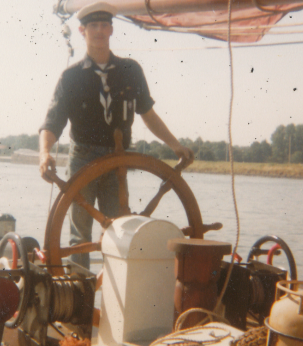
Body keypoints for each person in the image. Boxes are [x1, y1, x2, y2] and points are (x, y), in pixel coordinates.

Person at [38, 2, 193, 270]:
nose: (99, 30)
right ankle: (81, 298)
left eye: (104, 25)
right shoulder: (71, 77)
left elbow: (149, 115)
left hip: (117, 161)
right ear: (82, 31)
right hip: (82, 159)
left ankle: (119, 295)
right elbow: (52, 122)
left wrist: (175, 145)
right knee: (79, 236)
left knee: (120, 231)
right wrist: (44, 153)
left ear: (111, 29)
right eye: (93, 26)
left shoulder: (130, 71)